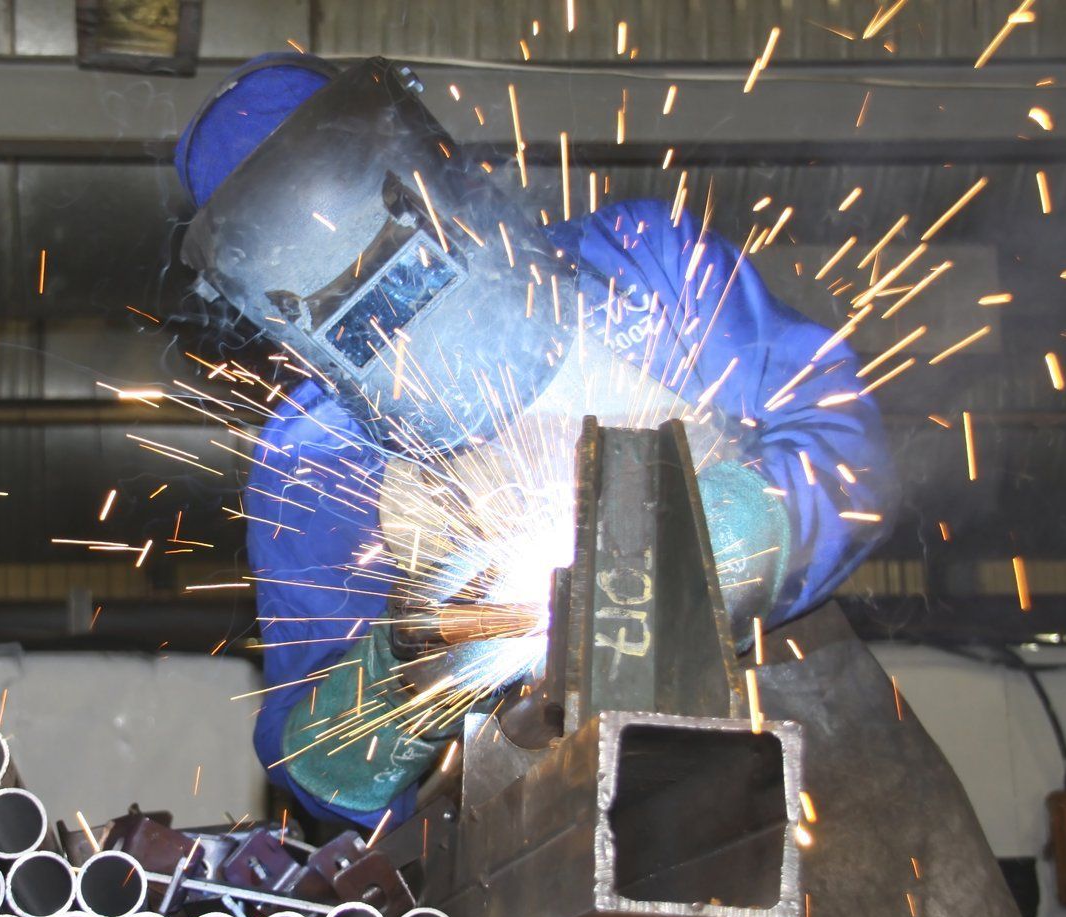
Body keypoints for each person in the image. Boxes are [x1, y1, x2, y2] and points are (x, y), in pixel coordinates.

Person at [174, 54, 894, 828]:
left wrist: (714, 537)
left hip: (795, 743)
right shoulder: (313, 454)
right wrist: (401, 681)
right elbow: (318, 764)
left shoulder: (640, 263)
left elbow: (848, 450)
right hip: (540, 822)